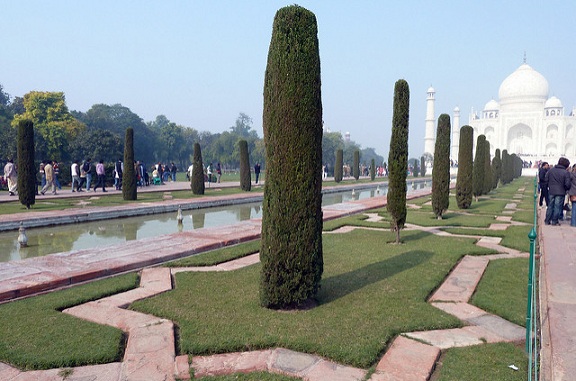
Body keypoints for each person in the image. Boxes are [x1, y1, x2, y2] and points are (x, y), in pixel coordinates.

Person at [544, 157, 571, 226]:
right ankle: (554, 221)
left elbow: (546, 180)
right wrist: (565, 189)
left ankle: (547, 220)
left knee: (550, 206)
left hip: (551, 190)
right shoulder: (566, 172)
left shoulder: (551, 170)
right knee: (557, 207)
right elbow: (567, 184)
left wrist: (548, 187)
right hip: (561, 191)